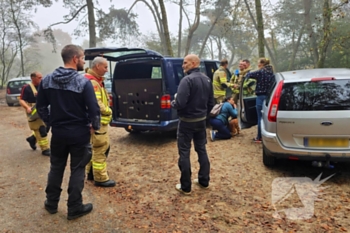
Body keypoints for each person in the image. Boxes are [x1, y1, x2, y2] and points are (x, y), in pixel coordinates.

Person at [36, 44, 101, 220]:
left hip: (58, 133)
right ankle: (74, 207)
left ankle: (51, 203)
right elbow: (94, 109)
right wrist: (95, 127)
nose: (84, 61)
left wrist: (50, 122)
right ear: (75, 59)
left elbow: (40, 106)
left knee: (56, 167)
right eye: (82, 58)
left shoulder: (47, 80)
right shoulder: (83, 82)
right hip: (79, 133)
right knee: (78, 168)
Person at [171, 54, 214, 195]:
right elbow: (211, 103)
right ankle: (204, 181)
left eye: (185, 63)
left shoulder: (187, 80)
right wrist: (203, 116)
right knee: (201, 150)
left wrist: (173, 103)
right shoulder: (207, 79)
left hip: (186, 123)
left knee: (184, 152)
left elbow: (180, 103)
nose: (183, 65)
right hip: (200, 122)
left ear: (194, 63)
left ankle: (186, 187)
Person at [84, 57, 116, 187]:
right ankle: (101, 178)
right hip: (97, 123)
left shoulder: (93, 80)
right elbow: (96, 103)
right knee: (100, 149)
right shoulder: (92, 82)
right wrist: (108, 110)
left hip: (94, 122)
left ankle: (91, 173)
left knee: (94, 148)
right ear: (97, 66)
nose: (107, 70)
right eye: (105, 67)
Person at [19, 72, 50, 156]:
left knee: (47, 126)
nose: (41, 79)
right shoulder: (27, 87)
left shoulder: (42, 86)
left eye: (41, 77)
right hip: (33, 111)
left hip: (43, 109)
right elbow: (21, 99)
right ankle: (45, 149)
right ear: (33, 78)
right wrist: (27, 107)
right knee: (41, 129)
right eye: (39, 77)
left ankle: (32, 138)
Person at [245, 57, 274, 143]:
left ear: (262, 64)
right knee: (268, 118)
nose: (258, 65)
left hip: (260, 96)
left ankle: (259, 137)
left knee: (260, 118)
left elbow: (248, 75)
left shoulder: (260, 72)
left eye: (258, 63)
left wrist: (249, 72)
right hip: (270, 97)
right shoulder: (271, 72)